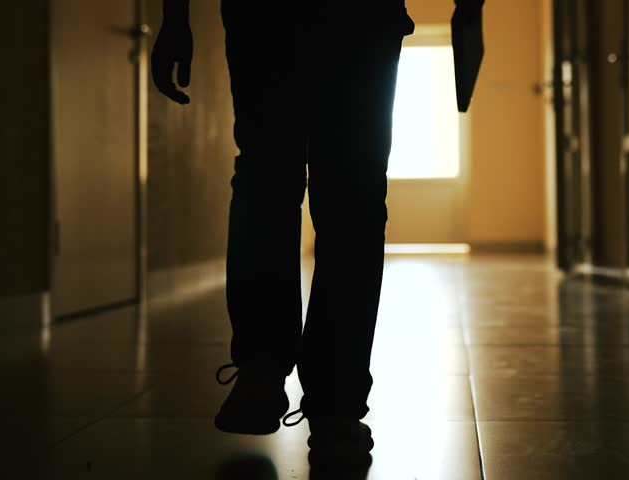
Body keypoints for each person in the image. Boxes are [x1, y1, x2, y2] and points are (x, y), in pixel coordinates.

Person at [152, 0, 479, 468]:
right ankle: (325, 400)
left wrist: (176, 17)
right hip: (339, 18)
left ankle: (277, 376)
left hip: (283, 18)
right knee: (345, 194)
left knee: (277, 180)